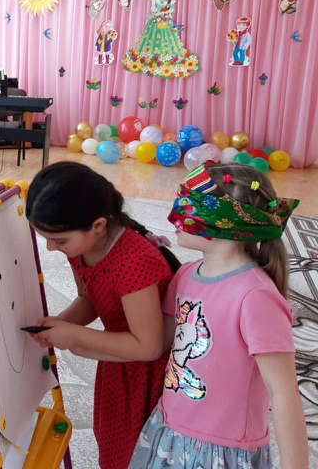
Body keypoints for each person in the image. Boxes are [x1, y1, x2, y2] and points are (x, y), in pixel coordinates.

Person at [129, 163, 308, 469]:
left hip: (222, 450)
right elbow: (160, 342)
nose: (173, 217)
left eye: (187, 209)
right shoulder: (186, 275)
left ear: (222, 224)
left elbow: (284, 393)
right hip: (171, 426)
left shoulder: (256, 298)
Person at [25, 161, 181, 469]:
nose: (51, 248)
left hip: (152, 375)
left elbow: (149, 346)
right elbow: (90, 299)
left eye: (59, 240)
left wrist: (75, 335)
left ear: (97, 226)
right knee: (113, 444)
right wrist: (61, 323)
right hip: (120, 361)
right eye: (45, 238)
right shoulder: (80, 248)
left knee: (140, 453)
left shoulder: (133, 260)